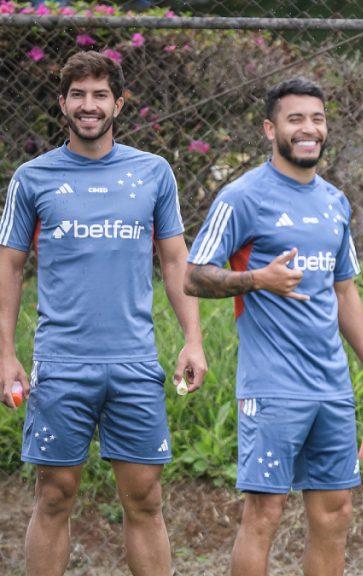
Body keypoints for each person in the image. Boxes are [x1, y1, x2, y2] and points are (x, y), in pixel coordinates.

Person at [0, 51, 207, 575]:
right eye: (77, 95)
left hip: (134, 364)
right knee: (54, 496)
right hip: (62, 364)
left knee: (144, 499)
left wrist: (193, 339)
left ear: (119, 102)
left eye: (99, 95)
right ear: (62, 103)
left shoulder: (153, 173)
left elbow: (175, 258)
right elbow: (10, 268)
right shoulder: (32, 178)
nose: (88, 106)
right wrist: (6, 355)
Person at [184, 78, 363, 576]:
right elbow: (193, 275)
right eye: (295, 118)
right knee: (265, 513)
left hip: (331, 387)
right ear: (269, 128)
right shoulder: (242, 197)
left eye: (317, 118)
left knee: (335, 511)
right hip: (272, 386)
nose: (308, 129)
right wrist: (258, 279)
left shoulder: (335, 202)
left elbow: (344, 290)